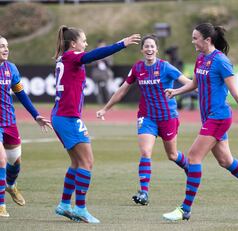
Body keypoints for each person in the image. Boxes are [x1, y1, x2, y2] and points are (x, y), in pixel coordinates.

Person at [162, 23, 238, 221]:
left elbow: (235, 92)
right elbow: (195, 84)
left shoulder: (221, 61)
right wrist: (176, 91)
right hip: (209, 117)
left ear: (207, 40)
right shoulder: (200, 58)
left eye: (195, 38)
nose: (193, 41)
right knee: (225, 161)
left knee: (193, 157)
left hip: (218, 117)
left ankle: (185, 209)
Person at [51, 25, 140, 223]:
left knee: (77, 162)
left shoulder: (63, 59)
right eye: (84, 40)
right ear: (73, 44)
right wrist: (121, 44)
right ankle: (80, 209)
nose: (86, 44)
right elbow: (95, 55)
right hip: (67, 118)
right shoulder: (72, 57)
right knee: (87, 162)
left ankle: (65, 205)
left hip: (63, 116)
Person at [96, 34, 192, 206]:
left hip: (167, 117)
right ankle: (144, 193)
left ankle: (189, 168)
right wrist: (106, 108)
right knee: (146, 152)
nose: (149, 49)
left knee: (172, 155)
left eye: (152, 46)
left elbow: (189, 83)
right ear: (142, 50)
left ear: (156, 49)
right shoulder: (137, 68)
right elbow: (123, 89)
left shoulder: (166, 67)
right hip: (147, 117)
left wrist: (210, 93)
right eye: (146, 46)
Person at [0, 35, 52, 217]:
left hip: (9, 122)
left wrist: (36, 115)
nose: (5, 49)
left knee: (15, 163)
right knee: (1, 160)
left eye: (6, 46)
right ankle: (1, 206)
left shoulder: (11, 68)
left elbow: (21, 94)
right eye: (1, 46)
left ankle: (11, 185)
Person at [91, 39, 114, 105]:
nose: (102, 46)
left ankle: (109, 104)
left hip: (106, 74)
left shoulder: (108, 52)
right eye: (100, 45)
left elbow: (111, 63)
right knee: (98, 90)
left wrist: (104, 61)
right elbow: (91, 62)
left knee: (108, 89)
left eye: (103, 44)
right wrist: (97, 61)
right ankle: (100, 104)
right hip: (97, 74)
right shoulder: (94, 52)